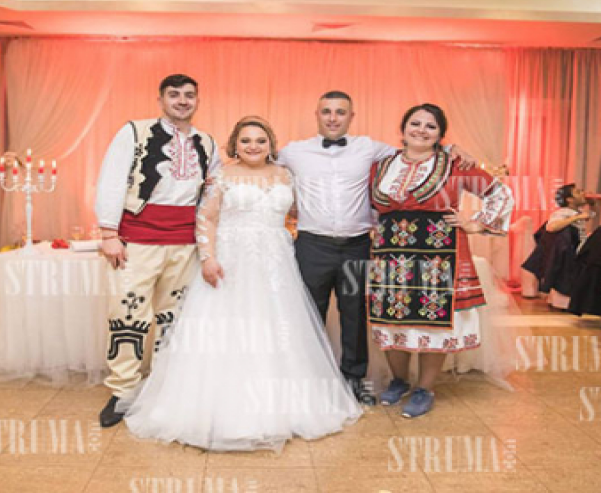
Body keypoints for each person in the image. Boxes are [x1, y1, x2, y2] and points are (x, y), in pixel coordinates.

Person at [123, 116, 361, 451]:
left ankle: (282, 406)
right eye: (246, 140)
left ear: (270, 145)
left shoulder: (285, 175)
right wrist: (208, 257)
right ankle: (220, 411)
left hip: (275, 264)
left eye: (260, 141)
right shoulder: (222, 175)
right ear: (235, 144)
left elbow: (298, 212)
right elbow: (206, 217)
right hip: (230, 262)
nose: (253, 146)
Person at [277, 91, 475, 406]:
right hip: (312, 245)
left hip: (357, 246)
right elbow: (257, 159)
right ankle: (308, 381)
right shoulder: (293, 151)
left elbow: (415, 150)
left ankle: (354, 381)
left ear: (351, 117)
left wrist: (450, 148)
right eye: (326, 111)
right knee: (308, 314)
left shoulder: (371, 148)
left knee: (355, 316)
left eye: (340, 112)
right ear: (317, 114)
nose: (333, 118)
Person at [368, 103, 513, 418]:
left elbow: (500, 194)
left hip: (439, 254)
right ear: (403, 128)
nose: (421, 130)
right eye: (415, 123)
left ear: (440, 135)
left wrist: (475, 223)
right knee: (392, 319)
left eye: (430, 126)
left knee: (432, 322)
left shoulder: (455, 164)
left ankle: (425, 388)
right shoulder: (381, 165)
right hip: (389, 255)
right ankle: (398, 381)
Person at [94, 74, 220, 428]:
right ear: (161, 99)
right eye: (174, 94)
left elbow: (212, 193)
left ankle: (165, 386)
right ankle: (123, 391)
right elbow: (111, 179)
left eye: (189, 95)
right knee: (127, 314)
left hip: (184, 243)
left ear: (198, 101)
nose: (182, 100)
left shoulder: (207, 143)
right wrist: (109, 231)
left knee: (173, 318)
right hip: (137, 240)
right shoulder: (134, 132)